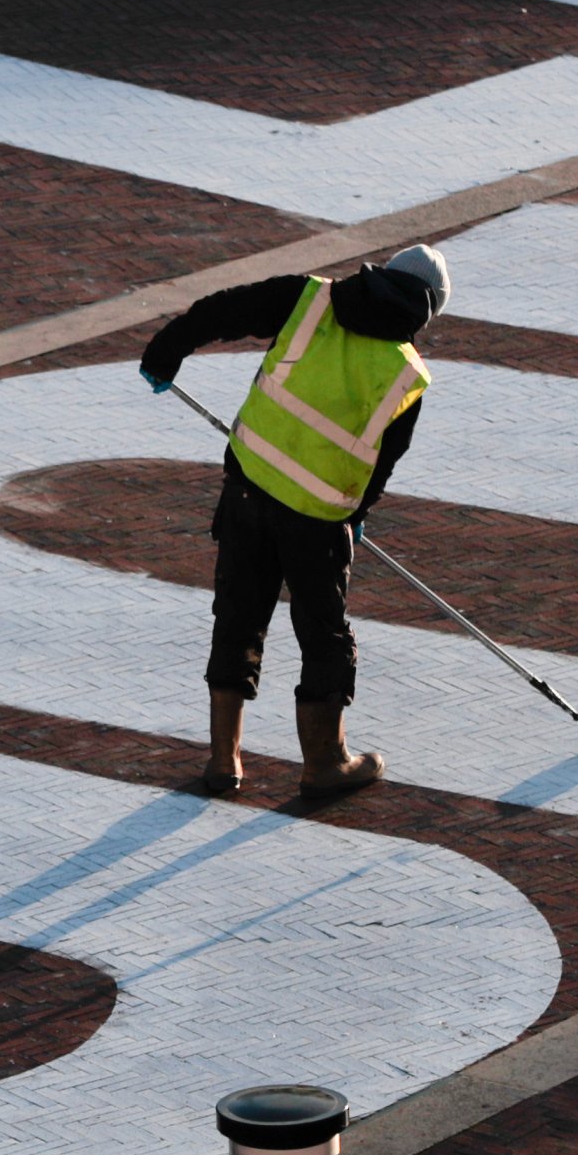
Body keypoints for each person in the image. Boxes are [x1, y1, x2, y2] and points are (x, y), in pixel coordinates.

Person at [138, 243, 449, 802]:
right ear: (425, 312)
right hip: (320, 519)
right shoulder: (408, 374)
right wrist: (357, 515)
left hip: (249, 488)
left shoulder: (310, 298)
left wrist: (168, 349)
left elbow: (223, 309)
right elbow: (382, 462)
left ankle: (223, 760)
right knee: (324, 635)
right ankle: (325, 764)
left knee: (238, 612)